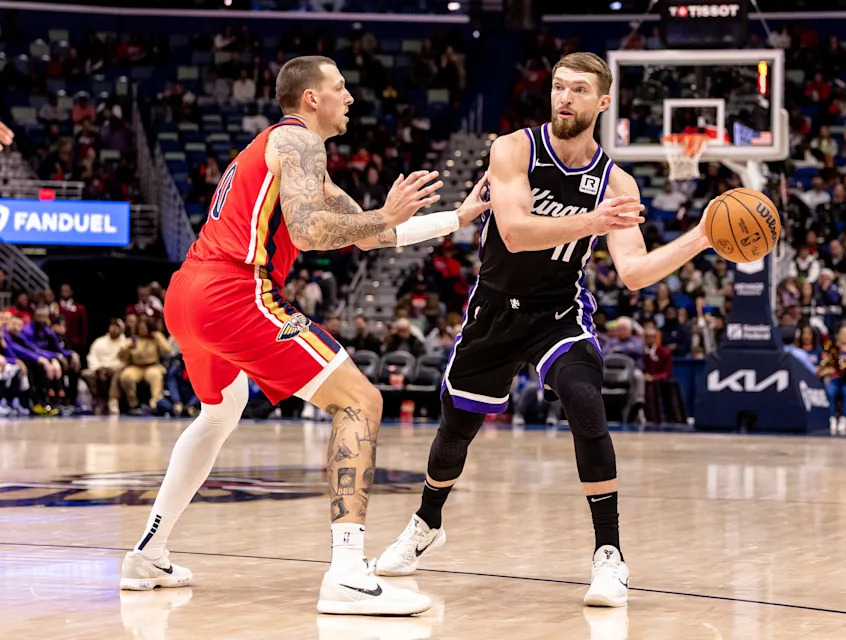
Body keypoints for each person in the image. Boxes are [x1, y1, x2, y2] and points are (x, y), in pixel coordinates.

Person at [119, 55, 489, 617]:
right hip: (233, 291)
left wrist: (455, 220)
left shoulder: (299, 160)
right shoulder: (298, 142)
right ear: (311, 98)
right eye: (340, 87)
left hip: (188, 294)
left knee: (221, 412)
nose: (350, 98)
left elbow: (368, 236)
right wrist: (382, 213)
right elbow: (311, 231)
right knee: (361, 400)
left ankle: (148, 551)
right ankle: (346, 572)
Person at [376, 52, 716, 609]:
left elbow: (632, 273)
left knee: (586, 402)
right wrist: (594, 221)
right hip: (493, 309)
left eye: (579, 90)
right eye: (559, 87)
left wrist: (700, 237)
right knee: (455, 433)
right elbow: (511, 232)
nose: (564, 97)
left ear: (602, 103)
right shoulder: (512, 148)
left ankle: (610, 556)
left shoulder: (616, 181)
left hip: (558, 310)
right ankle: (426, 522)